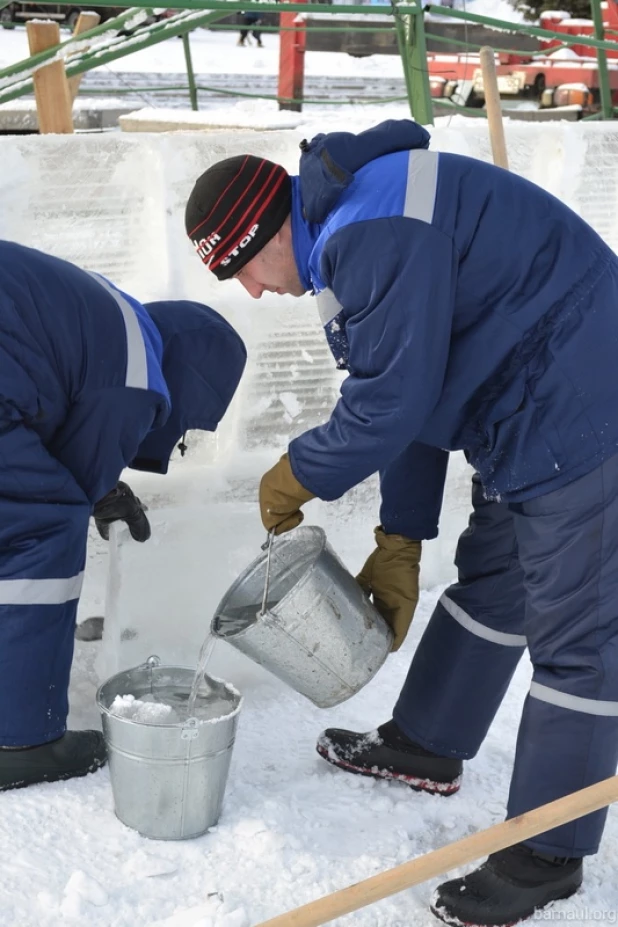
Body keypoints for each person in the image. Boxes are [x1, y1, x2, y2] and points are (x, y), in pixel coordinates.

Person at [184, 121, 618, 926]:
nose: (251, 291)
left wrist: (296, 474)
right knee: (495, 580)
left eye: (243, 268)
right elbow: (411, 396)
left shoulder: (365, 236)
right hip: (521, 399)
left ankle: (548, 849)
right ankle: (429, 739)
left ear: (269, 228)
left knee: (578, 635)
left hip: (584, 399)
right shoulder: (342, 233)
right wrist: (400, 536)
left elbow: (389, 404)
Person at [0, 239, 246, 791]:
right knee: (42, 528)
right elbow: (72, 484)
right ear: (193, 385)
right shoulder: (139, 371)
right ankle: (21, 741)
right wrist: (93, 492)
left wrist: (99, 485)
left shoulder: (113, 315)